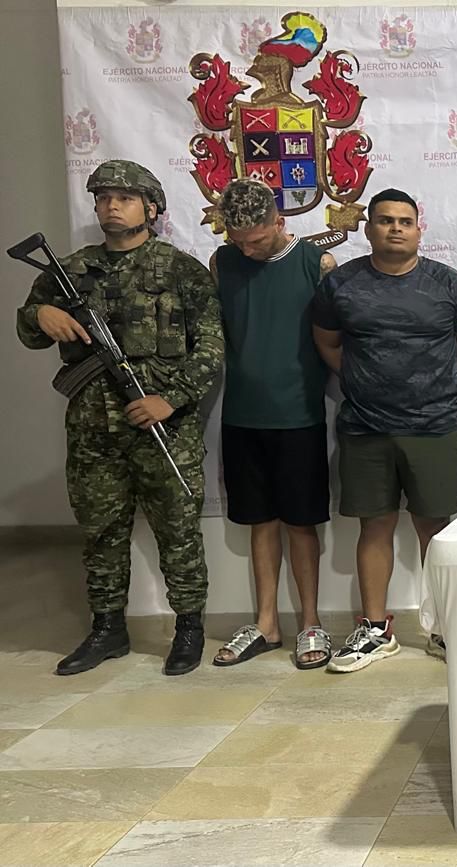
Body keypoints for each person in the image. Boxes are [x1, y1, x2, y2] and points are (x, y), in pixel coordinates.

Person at [15, 159, 224, 676]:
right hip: (93, 431)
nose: (112, 205)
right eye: (104, 197)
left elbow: (213, 348)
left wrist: (169, 399)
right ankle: (107, 629)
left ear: (151, 209)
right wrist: (40, 314)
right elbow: (29, 329)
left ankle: (189, 628)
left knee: (178, 532)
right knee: (100, 533)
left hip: (163, 431)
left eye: (125, 198)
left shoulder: (180, 271)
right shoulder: (70, 271)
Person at [312, 188, 457, 672]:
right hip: (365, 427)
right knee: (376, 525)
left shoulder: (450, 286)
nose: (395, 228)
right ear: (368, 228)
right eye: (385, 220)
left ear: (418, 229)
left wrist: (431, 386)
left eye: (405, 221)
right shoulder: (340, 285)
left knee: (437, 529)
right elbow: (327, 342)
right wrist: (364, 381)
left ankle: (445, 627)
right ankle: (374, 629)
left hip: (431, 426)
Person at [208, 178, 337, 670]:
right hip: (242, 413)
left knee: (301, 524)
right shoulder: (223, 262)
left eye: (257, 239)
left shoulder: (316, 263)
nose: (247, 248)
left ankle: (310, 623)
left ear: (279, 221)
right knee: (259, 522)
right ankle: (266, 622)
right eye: (238, 239)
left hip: (299, 413)